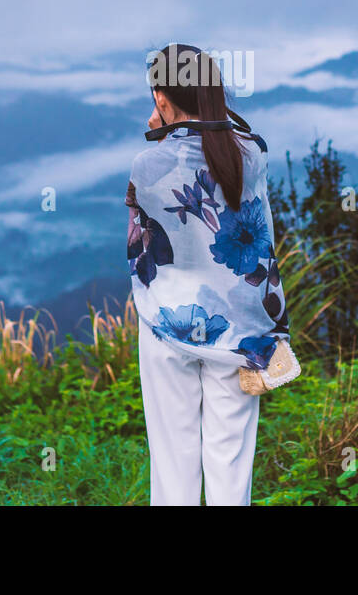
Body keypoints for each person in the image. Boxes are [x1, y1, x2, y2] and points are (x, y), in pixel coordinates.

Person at [125, 43, 289, 506]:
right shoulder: (251, 155)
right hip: (239, 333)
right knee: (230, 465)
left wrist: (160, 130)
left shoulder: (148, 165)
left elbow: (141, 251)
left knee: (172, 462)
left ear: (161, 99)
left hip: (166, 328)